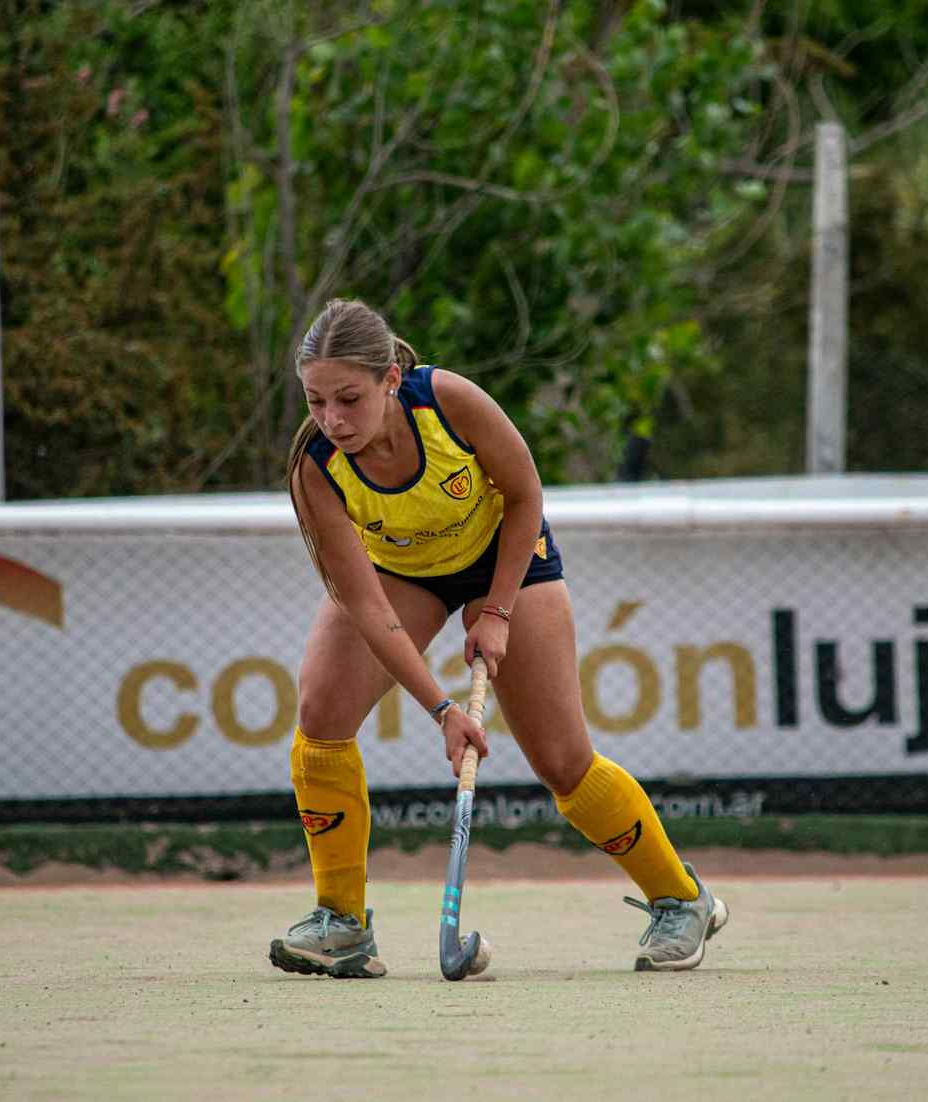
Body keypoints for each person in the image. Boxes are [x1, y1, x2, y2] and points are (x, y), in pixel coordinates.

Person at [269, 297, 727, 978]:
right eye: (316, 401)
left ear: (390, 379)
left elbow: (525, 494)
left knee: (563, 762)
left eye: (349, 399)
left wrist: (499, 612)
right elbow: (366, 608)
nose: (332, 419)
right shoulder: (316, 466)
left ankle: (681, 899)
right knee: (321, 714)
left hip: (505, 556)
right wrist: (442, 710)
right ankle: (341, 923)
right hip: (402, 573)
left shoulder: (447, 402)